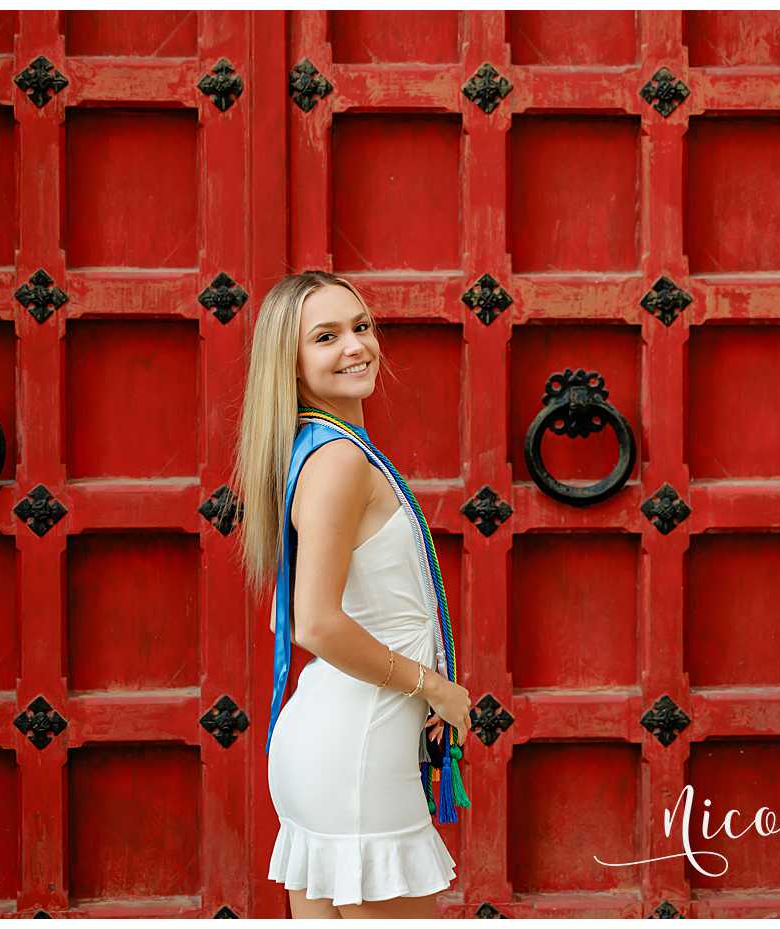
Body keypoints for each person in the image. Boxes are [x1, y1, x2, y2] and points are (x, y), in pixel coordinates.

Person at [233, 271, 475, 918]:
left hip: (333, 743)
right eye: (327, 336)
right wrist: (435, 685)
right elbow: (315, 622)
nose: (356, 346)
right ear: (291, 363)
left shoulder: (326, 449)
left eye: (361, 327)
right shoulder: (339, 461)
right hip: (354, 754)